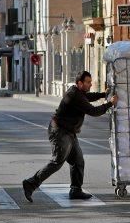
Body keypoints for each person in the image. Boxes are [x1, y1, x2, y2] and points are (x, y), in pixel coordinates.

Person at [22, 71, 117, 202]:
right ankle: (31, 183)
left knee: (78, 161)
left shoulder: (78, 92)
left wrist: (103, 94)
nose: (90, 84)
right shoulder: (74, 95)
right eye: (88, 82)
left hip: (69, 132)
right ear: (79, 83)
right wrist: (109, 103)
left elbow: (87, 97)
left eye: (90, 81)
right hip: (60, 132)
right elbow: (93, 111)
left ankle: (76, 190)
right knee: (57, 162)